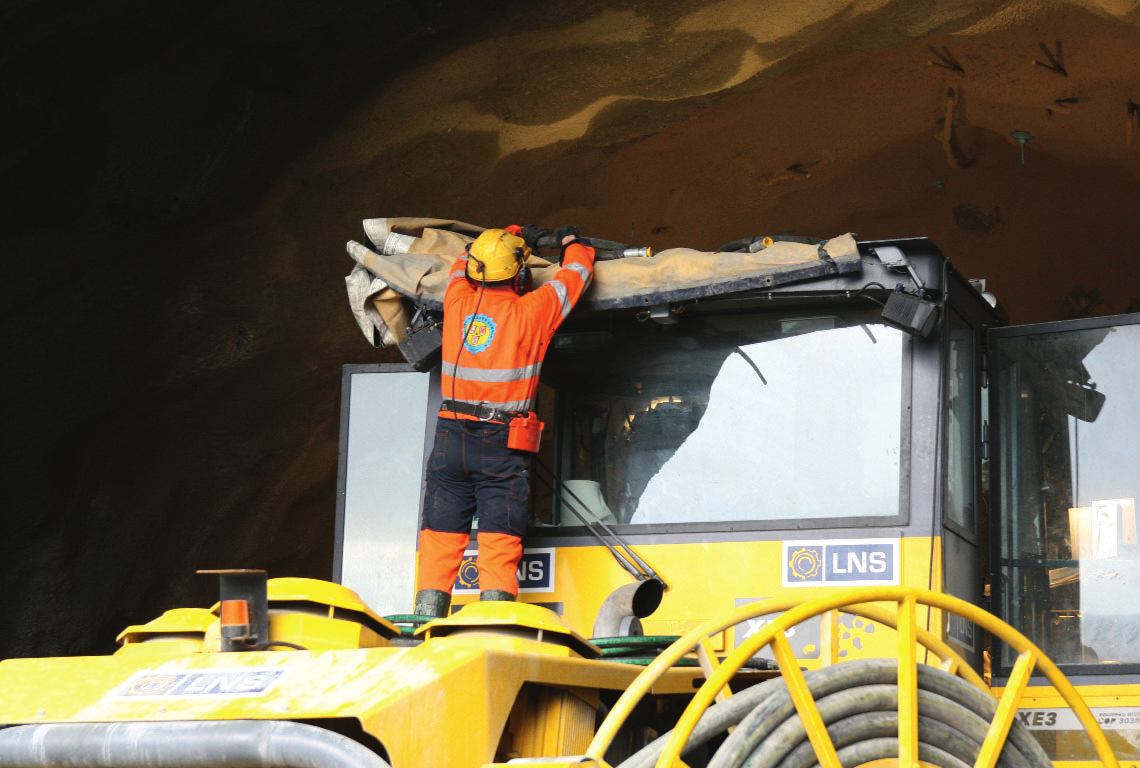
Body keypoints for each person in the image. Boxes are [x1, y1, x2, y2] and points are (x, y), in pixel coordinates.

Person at [413, 224, 595, 618]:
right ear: (520, 274)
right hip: (501, 441)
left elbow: (463, 261)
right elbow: (576, 274)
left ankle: (423, 624)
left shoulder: (457, 299)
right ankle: (495, 623)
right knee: (499, 538)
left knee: (439, 536)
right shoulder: (534, 310)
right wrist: (572, 244)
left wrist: (503, 235)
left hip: (450, 435)